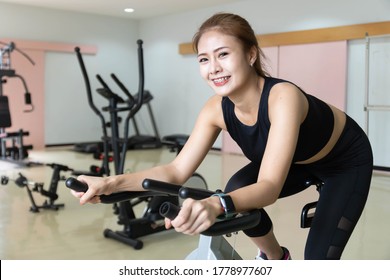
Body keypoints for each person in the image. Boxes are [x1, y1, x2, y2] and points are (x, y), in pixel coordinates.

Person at [71, 12, 373, 260]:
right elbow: (176, 171)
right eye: (203, 59)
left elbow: (268, 187)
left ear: (251, 54)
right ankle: (276, 259)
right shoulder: (215, 109)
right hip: (295, 159)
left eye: (223, 55)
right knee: (237, 188)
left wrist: (216, 204)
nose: (213, 68)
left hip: (343, 162)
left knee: (319, 259)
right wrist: (110, 183)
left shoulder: (283, 97)